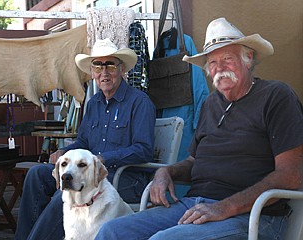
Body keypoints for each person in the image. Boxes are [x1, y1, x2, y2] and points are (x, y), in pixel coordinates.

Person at [95, 17, 303, 240]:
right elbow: (195, 163)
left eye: (227, 59)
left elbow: (292, 175)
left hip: (253, 215)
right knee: (112, 231)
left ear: (248, 59)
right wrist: (166, 171)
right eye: (212, 63)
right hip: (195, 205)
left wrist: (225, 207)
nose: (219, 68)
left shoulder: (276, 96)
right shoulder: (211, 104)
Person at [15, 38, 156, 240]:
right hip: (87, 172)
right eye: (98, 66)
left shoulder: (139, 102)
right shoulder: (94, 104)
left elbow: (143, 150)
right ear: (92, 72)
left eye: (110, 65)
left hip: (125, 177)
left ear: (122, 69)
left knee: (64, 196)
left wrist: (103, 159)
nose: (104, 73)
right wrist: (64, 152)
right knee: (36, 175)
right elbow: (83, 143)